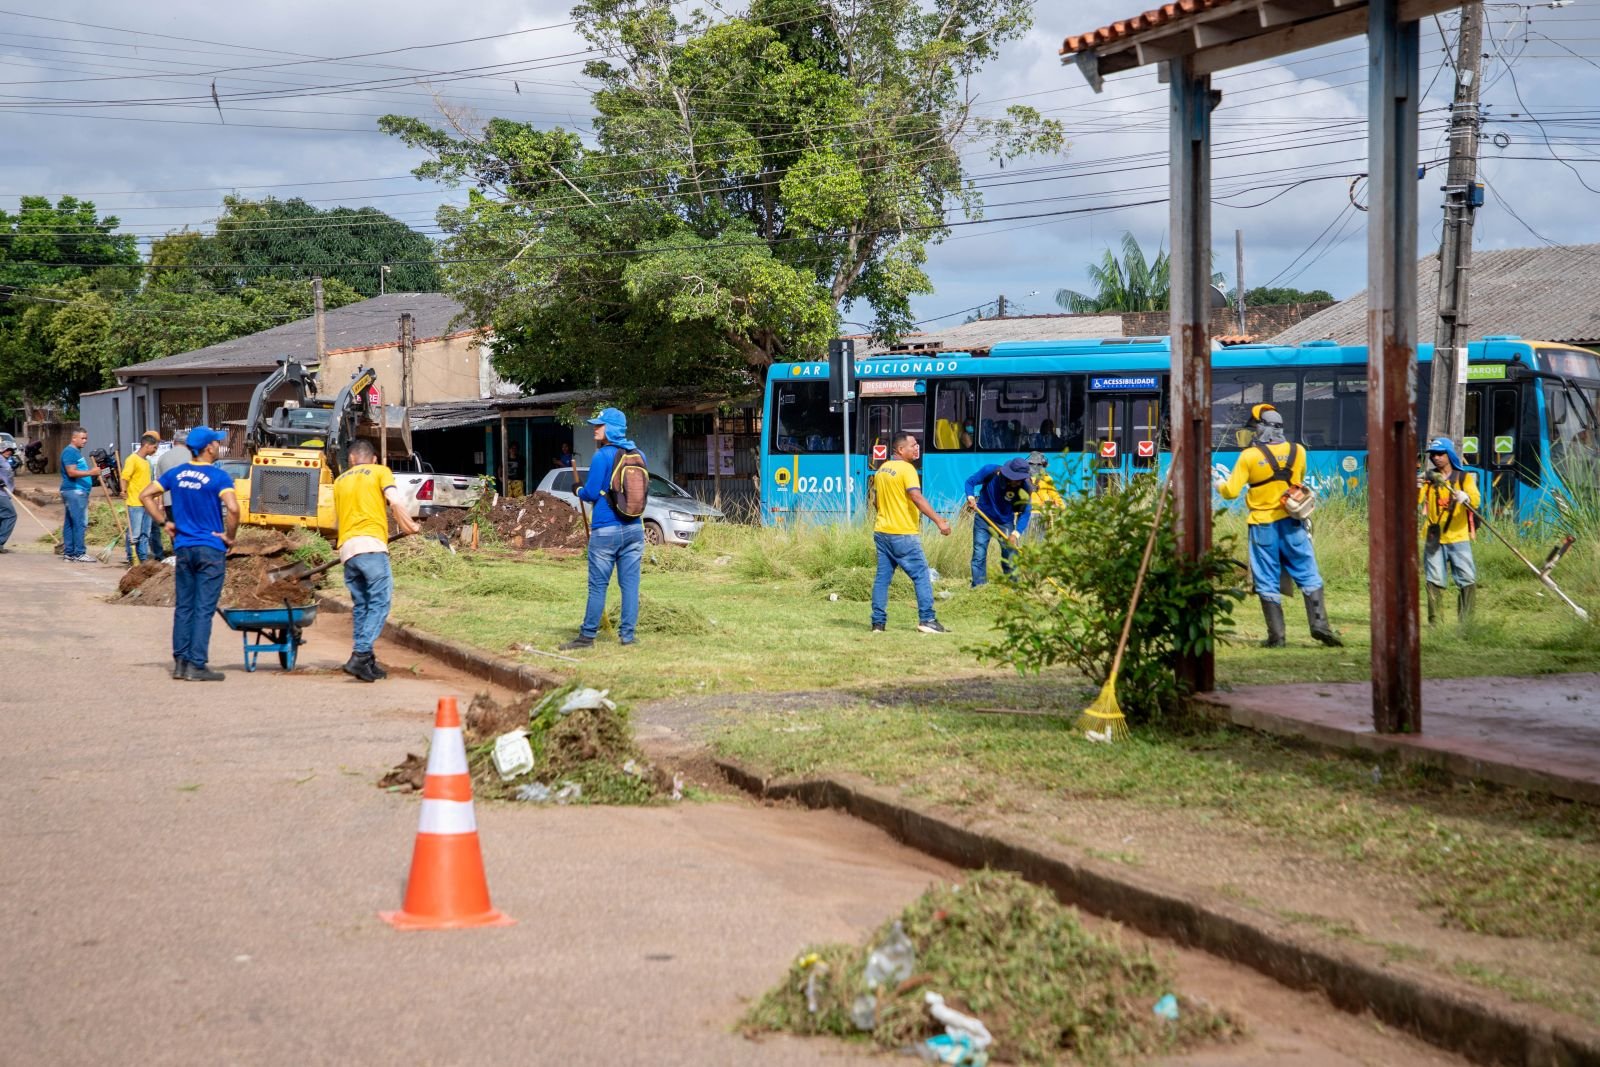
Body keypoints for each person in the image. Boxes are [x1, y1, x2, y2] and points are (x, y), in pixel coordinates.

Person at [1214, 403, 1342, 648]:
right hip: (1293, 522)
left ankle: (1277, 637)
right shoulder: (1299, 451)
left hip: (1263, 525)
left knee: (1266, 577)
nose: (1253, 433)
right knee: (1307, 570)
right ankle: (1320, 626)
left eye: (1255, 428)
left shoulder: (1249, 456)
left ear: (1263, 429)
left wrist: (1218, 483)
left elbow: (1230, 492)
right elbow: (1298, 481)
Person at [140, 427, 239, 681]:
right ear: (208, 448)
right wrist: (230, 536)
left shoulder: (176, 474)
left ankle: (181, 663)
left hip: (184, 547)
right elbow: (234, 508)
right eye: (217, 443)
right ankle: (197, 664)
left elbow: (146, 495)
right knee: (203, 608)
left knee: (184, 606)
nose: (219, 446)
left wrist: (165, 523)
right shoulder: (219, 477)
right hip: (210, 549)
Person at [333, 438, 421, 682]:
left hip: (347, 550)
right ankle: (360, 655)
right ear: (373, 459)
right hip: (371, 546)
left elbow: (334, 522)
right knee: (380, 603)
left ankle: (367, 661)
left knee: (362, 605)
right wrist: (410, 526)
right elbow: (395, 501)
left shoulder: (339, 481)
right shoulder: (381, 471)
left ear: (350, 459)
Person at [561, 408, 645, 650]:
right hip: (634, 529)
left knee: (598, 585)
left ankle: (587, 637)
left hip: (606, 530)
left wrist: (577, 488)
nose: (595, 428)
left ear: (612, 429)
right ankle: (628, 636)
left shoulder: (602, 456)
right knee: (630, 585)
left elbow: (590, 493)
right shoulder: (639, 455)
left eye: (600, 425)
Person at [871, 432, 951, 633]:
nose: (917, 448)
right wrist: (939, 521)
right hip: (903, 533)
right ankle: (927, 619)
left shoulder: (882, 470)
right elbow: (916, 496)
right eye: (913, 445)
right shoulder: (907, 470)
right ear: (900, 450)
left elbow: (876, 502)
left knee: (882, 579)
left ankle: (878, 623)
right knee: (921, 575)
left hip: (882, 532)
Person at [1418, 435, 1480, 624]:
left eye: (1440, 454)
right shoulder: (1428, 479)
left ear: (1449, 455)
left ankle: (1466, 623)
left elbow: (1476, 499)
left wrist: (1466, 497)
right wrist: (1414, 487)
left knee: (1467, 579)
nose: (1435, 457)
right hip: (1433, 538)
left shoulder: (1463, 478)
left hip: (1458, 537)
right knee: (1433, 579)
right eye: (1433, 454)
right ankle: (1436, 624)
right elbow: (1416, 501)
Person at [963, 455, 1033, 587]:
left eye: (1020, 479)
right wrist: (970, 497)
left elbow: (1026, 512)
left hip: (1005, 522)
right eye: (1016, 479)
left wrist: (1015, 534)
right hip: (983, 518)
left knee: (1010, 555)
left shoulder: (1025, 488)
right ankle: (979, 586)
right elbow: (970, 482)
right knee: (979, 552)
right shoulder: (990, 471)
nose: (1018, 482)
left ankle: (1013, 586)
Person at [59, 427, 104, 563]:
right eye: (82, 438)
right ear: (74, 438)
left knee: (71, 522)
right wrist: (91, 472)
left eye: (86, 438)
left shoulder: (74, 452)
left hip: (74, 491)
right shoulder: (70, 452)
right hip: (75, 491)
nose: (85, 441)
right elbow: (71, 472)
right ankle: (79, 552)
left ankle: (70, 553)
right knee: (80, 523)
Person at [150, 431, 194, 561]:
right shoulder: (192, 456)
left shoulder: (163, 457)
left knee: (174, 529)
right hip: (189, 500)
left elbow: (158, 483)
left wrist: (160, 503)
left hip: (170, 500)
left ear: (174, 442)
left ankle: (177, 556)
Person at [120, 433, 160, 565]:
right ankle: (132, 557)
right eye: (154, 447)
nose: (155, 450)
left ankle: (142, 558)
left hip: (147, 503)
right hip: (135, 503)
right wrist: (123, 491)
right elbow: (124, 477)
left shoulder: (147, 462)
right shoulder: (132, 459)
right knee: (134, 534)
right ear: (146, 445)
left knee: (145, 533)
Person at [0, 442, 16, 553]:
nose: (8, 451)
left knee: (2, 517)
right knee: (11, 515)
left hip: (5, 493)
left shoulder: (5, 460)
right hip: (1, 494)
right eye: (6, 449)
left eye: (10, 450)